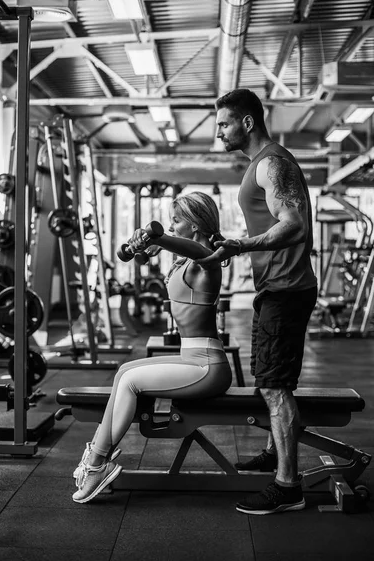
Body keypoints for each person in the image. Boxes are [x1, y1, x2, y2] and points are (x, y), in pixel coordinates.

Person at [196, 88, 317, 515]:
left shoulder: (270, 164)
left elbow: (294, 224)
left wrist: (240, 246)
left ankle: (288, 485)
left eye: (224, 124)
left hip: (286, 288)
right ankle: (273, 453)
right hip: (277, 287)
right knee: (270, 377)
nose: (219, 132)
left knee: (273, 385)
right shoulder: (260, 166)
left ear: (247, 122)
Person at [72, 191, 233, 503]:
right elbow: (158, 253)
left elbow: (194, 249)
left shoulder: (208, 262)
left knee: (131, 381)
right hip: (193, 360)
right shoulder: (183, 260)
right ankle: (96, 457)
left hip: (207, 367)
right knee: (124, 372)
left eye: (176, 221)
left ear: (196, 224)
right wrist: (143, 247)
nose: (172, 227)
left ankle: (97, 464)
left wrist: (158, 239)